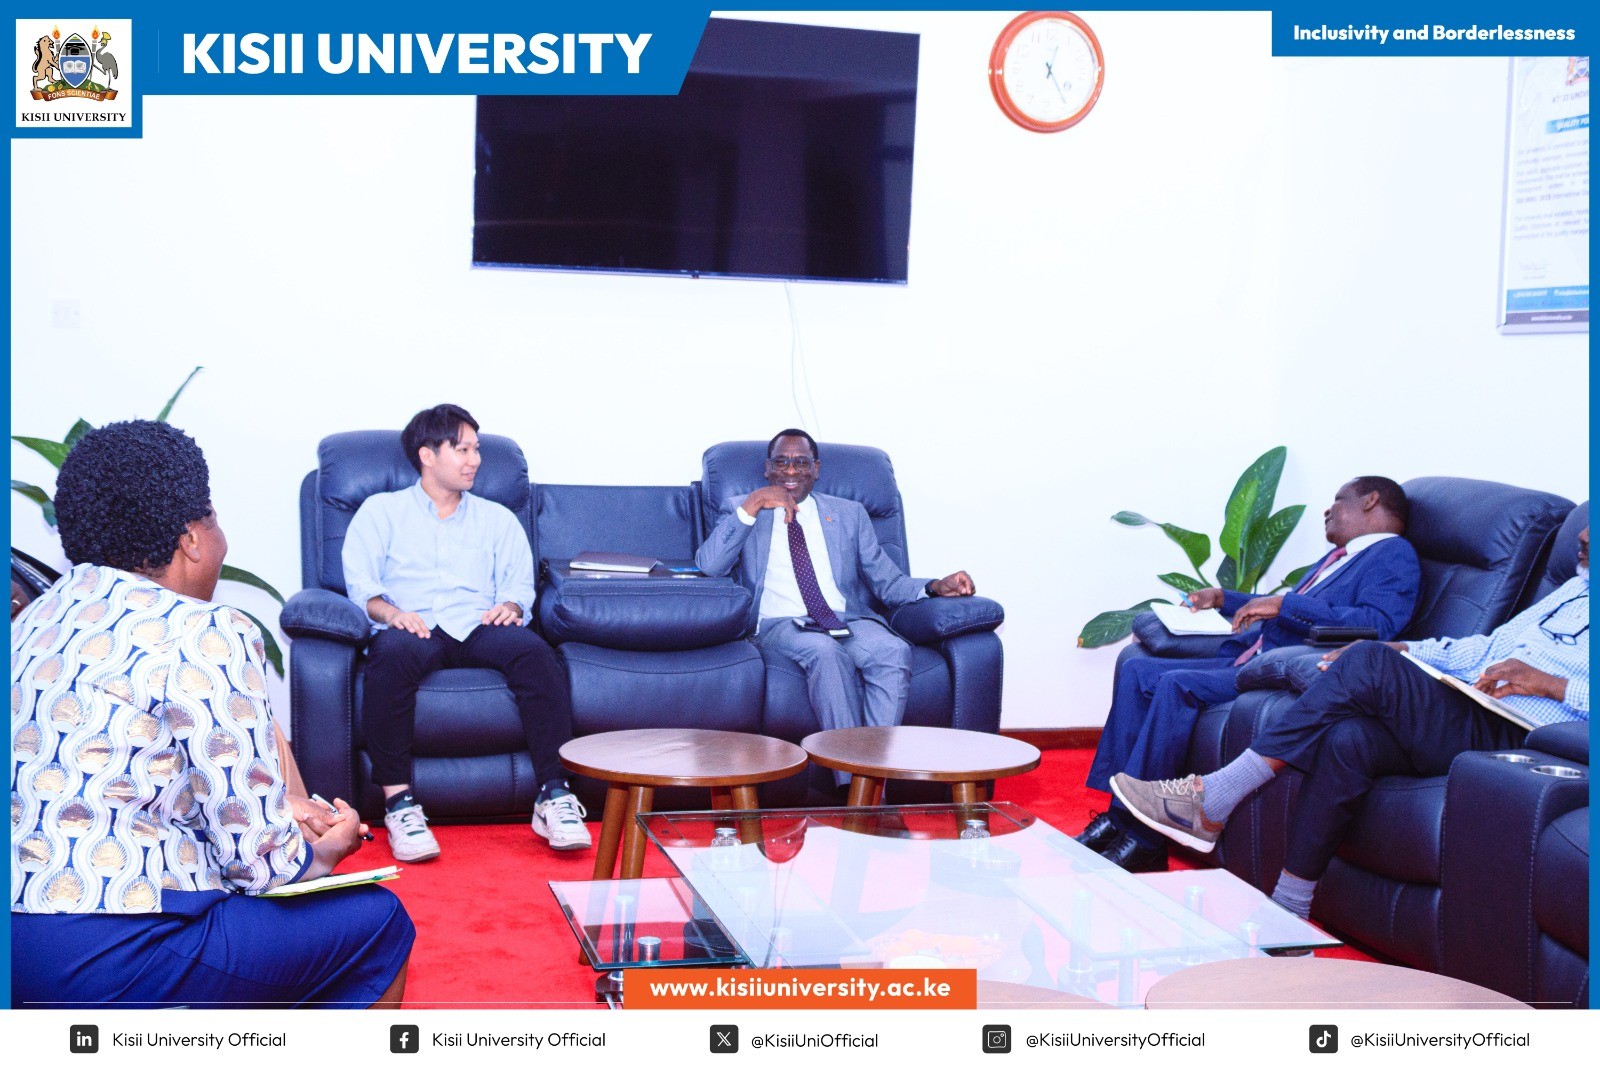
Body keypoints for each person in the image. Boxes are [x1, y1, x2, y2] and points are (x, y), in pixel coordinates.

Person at [11, 420, 413, 1009]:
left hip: (15, 945)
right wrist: (324, 850)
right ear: (192, 539)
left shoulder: (35, 621)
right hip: (107, 951)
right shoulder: (202, 630)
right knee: (378, 922)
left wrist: (276, 809)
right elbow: (261, 866)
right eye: (216, 521)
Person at [1112, 527, 1589, 920]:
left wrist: (1552, 685)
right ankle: (1289, 911)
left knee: (1365, 661)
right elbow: (1483, 650)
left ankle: (1215, 795)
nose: (1583, 536)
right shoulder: (1575, 587)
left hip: (1523, 733)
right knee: (1349, 737)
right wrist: (1403, 649)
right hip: (1471, 703)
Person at [1083, 477, 1420, 871]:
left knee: (1175, 684)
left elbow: (1377, 624)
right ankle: (1118, 816)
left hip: (1282, 670)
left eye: (1338, 500)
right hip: (1251, 655)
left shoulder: (1393, 554)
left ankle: (1142, 839)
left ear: (1371, 501)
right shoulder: (1339, 558)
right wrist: (1223, 598)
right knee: (1138, 669)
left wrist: (1286, 605)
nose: (1328, 510)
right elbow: (1283, 605)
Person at [342, 404, 589, 861]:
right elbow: (362, 587)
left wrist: (511, 606)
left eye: (476, 450)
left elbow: (519, 585)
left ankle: (554, 795)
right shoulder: (381, 512)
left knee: (535, 654)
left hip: (478, 623)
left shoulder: (497, 518)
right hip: (413, 624)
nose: (475, 460)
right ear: (427, 455)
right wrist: (392, 614)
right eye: (463, 450)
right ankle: (399, 804)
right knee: (389, 657)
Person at [696, 430, 976, 763]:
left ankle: (869, 782)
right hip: (781, 624)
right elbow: (710, 565)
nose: (790, 471)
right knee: (825, 653)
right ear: (767, 469)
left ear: (815, 469)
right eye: (781, 463)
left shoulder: (849, 514)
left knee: (893, 651)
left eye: (801, 463)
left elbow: (887, 582)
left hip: (845, 620)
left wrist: (934, 586)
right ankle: (853, 780)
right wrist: (753, 503)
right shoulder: (743, 508)